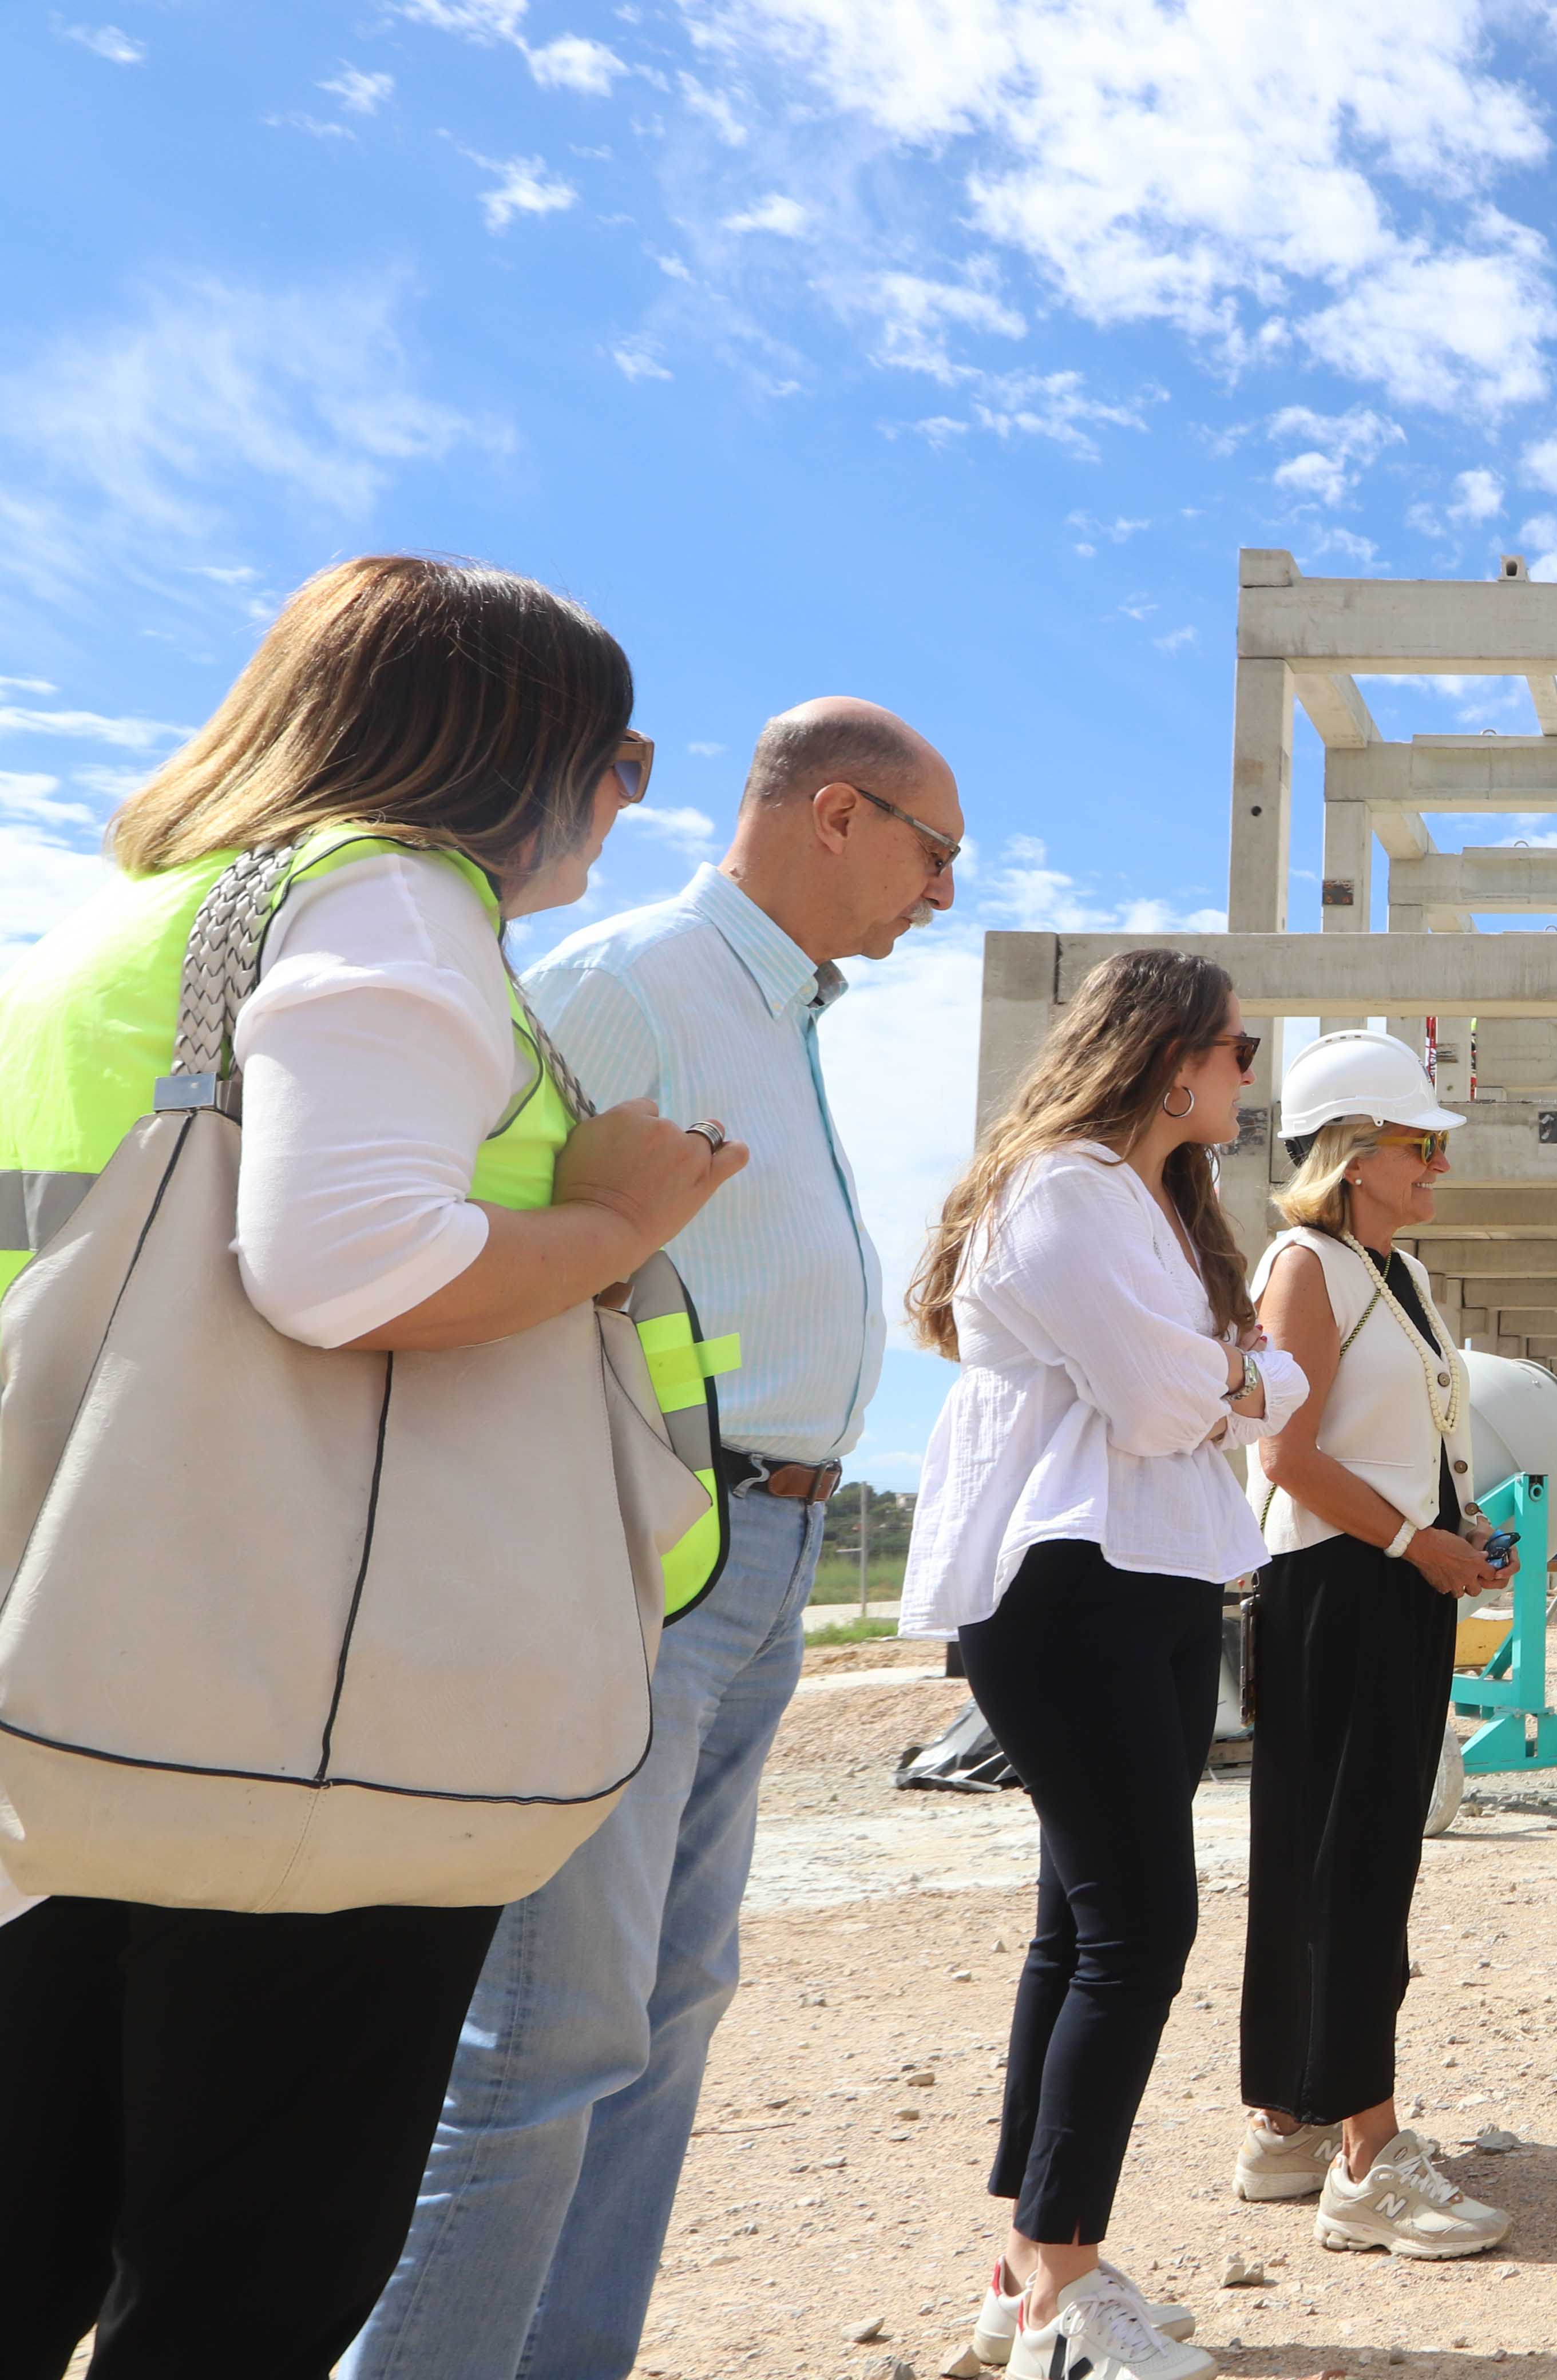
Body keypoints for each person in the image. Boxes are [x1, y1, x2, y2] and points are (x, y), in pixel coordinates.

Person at [0, 556, 742, 2378]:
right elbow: (355, 1264)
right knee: (252, 2267)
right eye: (620, 754)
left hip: (77, 1661)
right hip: (305, 1693)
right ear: (516, 742)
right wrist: (610, 1218)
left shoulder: (130, 927)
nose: (627, 801)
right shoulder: (397, 902)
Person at [348, 698, 965, 2380]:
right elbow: (470, 1247)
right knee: (549, 2033)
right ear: (839, 817)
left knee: (669, 2007)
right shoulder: (628, 987)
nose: (942, 896)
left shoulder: (781, 1012)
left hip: (757, 1561)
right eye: (936, 855)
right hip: (641, 1549)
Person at [900, 948, 1304, 2380]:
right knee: (1139, 1927)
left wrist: (1231, 1385)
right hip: (1069, 1584)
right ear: (1170, 1053)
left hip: (1154, 1574)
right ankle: (1067, 2280)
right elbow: (1162, 1398)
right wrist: (1234, 1384)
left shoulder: (1155, 1204)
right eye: (1242, 1051)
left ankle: (1027, 2269)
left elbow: (1247, 1382)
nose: (1252, 1075)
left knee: (1081, 1926)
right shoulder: (1064, 1190)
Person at [1238, 1029, 1516, 2258]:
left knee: (1331, 1857)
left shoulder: (1390, 1271)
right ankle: (1366, 2153)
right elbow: (1283, 1454)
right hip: (1340, 1592)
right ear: (1357, 1153)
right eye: (1423, 1143)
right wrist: (1418, 1542)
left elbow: (1394, 1439)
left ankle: (1293, 2116)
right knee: (1352, 1868)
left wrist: (1457, 1539)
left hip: (1391, 1583)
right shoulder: (1306, 1264)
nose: (1439, 1165)